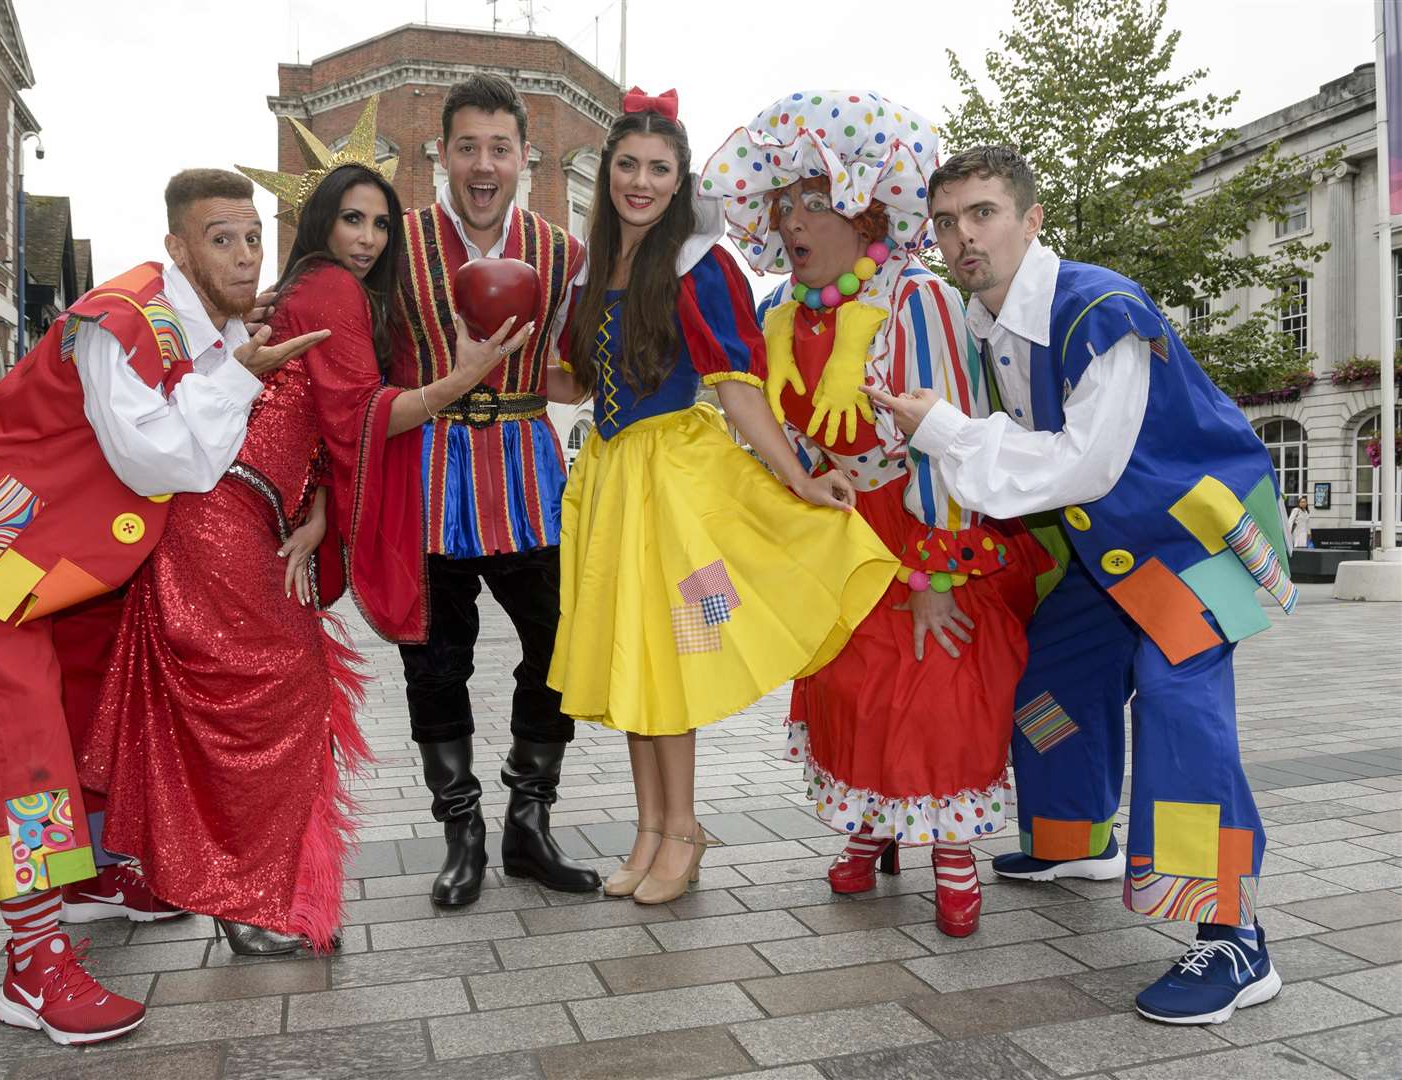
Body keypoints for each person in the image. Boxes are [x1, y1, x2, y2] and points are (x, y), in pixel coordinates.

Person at [80, 101, 532, 956]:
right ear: (320, 226)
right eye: (348, 220)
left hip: (251, 514)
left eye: (377, 224)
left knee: (254, 710)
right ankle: (243, 897)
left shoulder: (315, 296)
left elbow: (316, 425)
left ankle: (232, 886)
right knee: (266, 711)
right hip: (223, 520)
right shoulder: (326, 286)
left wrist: (318, 510)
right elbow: (362, 414)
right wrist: (461, 379)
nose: (365, 238)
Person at [0, 168, 324, 1044]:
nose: (243, 255)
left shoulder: (222, 327)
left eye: (251, 237)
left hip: (79, 556)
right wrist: (238, 373)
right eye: (220, 238)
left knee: (90, 709)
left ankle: (88, 880)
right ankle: (32, 967)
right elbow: (164, 461)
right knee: (20, 746)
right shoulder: (117, 321)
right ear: (176, 247)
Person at [870, 145, 1295, 1024]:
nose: (961, 236)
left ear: (1030, 220)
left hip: (1190, 540)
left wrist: (946, 432)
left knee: (1177, 710)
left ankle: (1231, 938)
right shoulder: (984, 322)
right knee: (1046, 674)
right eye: (946, 221)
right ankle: (1076, 839)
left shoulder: (1099, 309)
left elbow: (1084, 466)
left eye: (982, 213)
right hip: (1109, 551)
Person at [700, 92, 1050, 937]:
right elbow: (771, 435)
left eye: (813, 204)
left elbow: (947, 437)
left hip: (927, 527)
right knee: (849, 691)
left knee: (933, 691)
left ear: (864, 215)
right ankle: (871, 828)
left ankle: (951, 852)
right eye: (783, 207)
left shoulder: (914, 299)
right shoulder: (781, 309)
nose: (793, 223)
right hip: (837, 534)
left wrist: (934, 571)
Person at [548, 90, 897, 905]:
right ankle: (650, 830)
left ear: (678, 182)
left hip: (677, 485)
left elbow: (738, 390)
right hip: (609, 482)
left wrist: (800, 478)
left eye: (658, 168)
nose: (640, 181)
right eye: (627, 165)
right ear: (607, 175)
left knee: (671, 653)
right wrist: (507, 354)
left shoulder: (696, 265)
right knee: (634, 657)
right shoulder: (589, 268)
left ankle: (682, 831)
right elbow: (573, 380)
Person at [391, 74, 599, 907]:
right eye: (467, 147)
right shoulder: (393, 244)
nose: (483, 165)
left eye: (499, 149)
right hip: (429, 474)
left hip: (526, 473)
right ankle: (461, 831)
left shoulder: (564, 254)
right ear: (441, 154)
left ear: (524, 157)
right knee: (433, 663)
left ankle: (528, 823)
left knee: (561, 646)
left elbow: (576, 380)